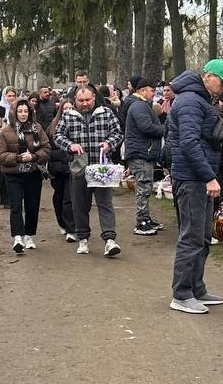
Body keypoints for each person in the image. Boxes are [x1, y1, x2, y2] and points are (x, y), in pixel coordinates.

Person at [167, 67, 223, 312]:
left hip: (196, 177)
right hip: (192, 179)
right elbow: (189, 142)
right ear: (209, 77)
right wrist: (209, 176)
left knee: (201, 236)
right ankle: (181, 294)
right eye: (222, 83)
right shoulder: (191, 101)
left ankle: (196, 288)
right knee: (191, 238)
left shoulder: (196, 99)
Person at [52, 85, 123, 256]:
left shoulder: (106, 113)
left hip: (101, 168)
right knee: (79, 205)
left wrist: (109, 144)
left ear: (94, 98)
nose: (84, 103)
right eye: (81, 100)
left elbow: (118, 133)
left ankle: (109, 240)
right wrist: (70, 145)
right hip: (79, 169)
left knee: (105, 203)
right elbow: (57, 136)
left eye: (88, 100)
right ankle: (83, 239)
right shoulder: (68, 116)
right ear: (75, 100)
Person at [0, 98, 51, 252]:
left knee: (32, 206)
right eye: (20, 111)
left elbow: (46, 148)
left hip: (33, 173)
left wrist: (33, 157)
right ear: (14, 112)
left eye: (26, 111)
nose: (23, 114)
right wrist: (18, 158)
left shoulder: (37, 128)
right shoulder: (6, 131)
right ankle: (17, 237)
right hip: (13, 173)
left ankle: (29, 235)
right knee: (16, 206)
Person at [123, 77, 166, 236]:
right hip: (141, 152)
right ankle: (141, 222)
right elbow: (146, 127)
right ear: (142, 91)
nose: (154, 94)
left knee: (146, 186)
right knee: (144, 186)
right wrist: (165, 129)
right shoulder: (139, 106)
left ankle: (146, 218)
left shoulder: (140, 105)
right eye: (152, 90)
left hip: (142, 151)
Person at [47, 98, 76, 241]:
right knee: (58, 196)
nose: (68, 111)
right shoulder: (52, 127)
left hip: (72, 168)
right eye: (65, 108)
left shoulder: (77, 125)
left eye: (70, 108)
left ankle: (71, 228)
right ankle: (62, 223)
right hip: (57, 169)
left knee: (68, 197)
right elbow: (47, 149)